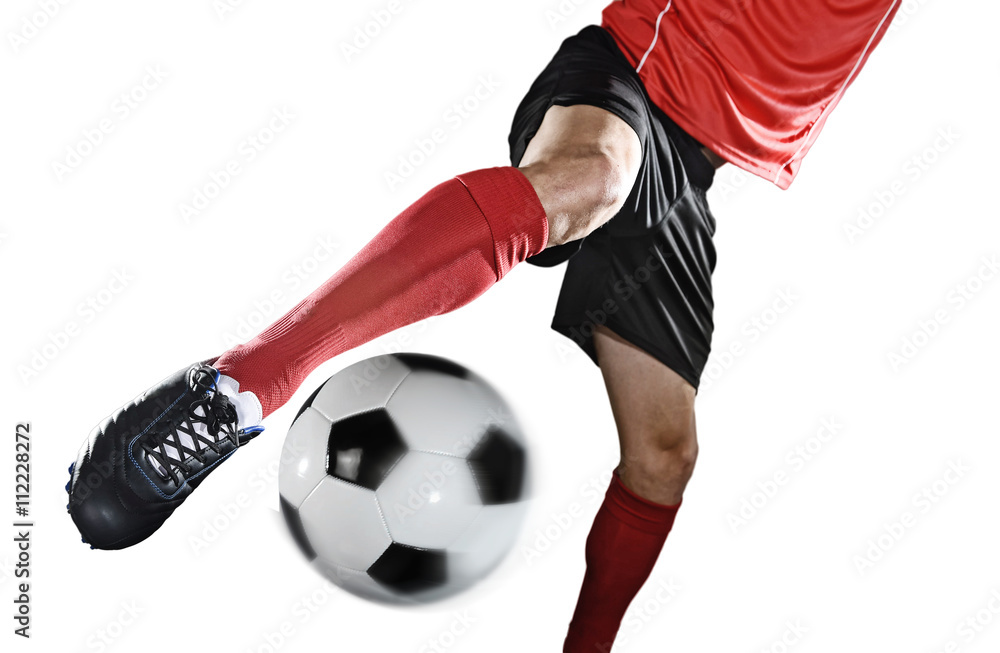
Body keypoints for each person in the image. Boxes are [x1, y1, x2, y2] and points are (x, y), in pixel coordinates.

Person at [67, 1, 902, 649]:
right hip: (638, 78)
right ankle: (245, 383)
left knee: (664, 456)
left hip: (697, 170)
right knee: (595, 178)